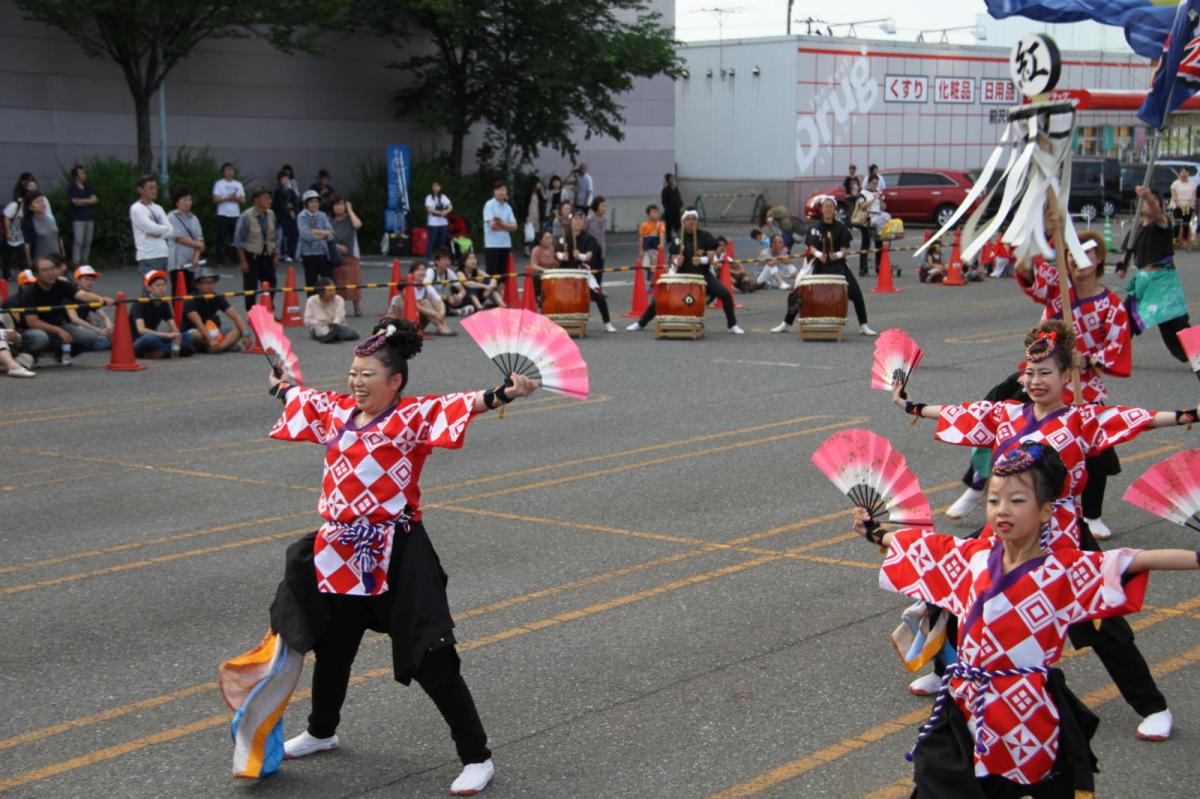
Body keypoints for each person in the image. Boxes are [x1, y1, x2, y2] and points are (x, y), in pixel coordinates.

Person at [250, 319, 540, 795]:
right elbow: (296, 396)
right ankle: (323, 730)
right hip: (341, 550)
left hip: (396, 553)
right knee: (334, 647)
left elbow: (465, 404)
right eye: (353, 372)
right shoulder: (336, 411)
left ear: (395, 381)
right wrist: (279, 382)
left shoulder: (411, 418)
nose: (357, 382)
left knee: (430, 654)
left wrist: (504, 394)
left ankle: (476, 756)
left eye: (368, 374)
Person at [898, 319, 1196, 741]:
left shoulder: (1081, 421)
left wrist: (1188, 414)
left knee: (1101, 618)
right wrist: (910, 405)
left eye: (1046, 374)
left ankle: (1152, 705)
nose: (1036, 381)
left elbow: (1136, 418)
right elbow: (955, 413)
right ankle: (948, 671)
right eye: (1030, 373)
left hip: (1060, 535)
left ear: (1065, 377)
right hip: (1003, 531)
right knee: (964, 597)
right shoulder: (1004, 415)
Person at [854, 442, 1200, 797]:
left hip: (1026, 708)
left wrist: (1196, 557)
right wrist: (873, 532)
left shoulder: (1064, 570)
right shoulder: (971, 556)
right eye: (993, 500)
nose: (1002, 510)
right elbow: (917, 545)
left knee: (1021, 784)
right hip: (964, 702)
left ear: (1047, 510)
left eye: (1017, 501)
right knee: (935, 777)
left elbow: (1137, 560)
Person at [626, 209, 745, 335]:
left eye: (694, 219)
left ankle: (732, 325)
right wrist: (678, 261)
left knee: (725, 293)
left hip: (702, 274)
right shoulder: (678, 238)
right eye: (688, 219)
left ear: (697, 221)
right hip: (681, 275)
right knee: (660, 299)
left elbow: (712, 256)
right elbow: (672, 259)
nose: (691, 222)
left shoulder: (705, 236)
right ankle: (641, 323)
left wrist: (702, 260)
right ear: (683, 221)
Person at [771, 198, 876, 335]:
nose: (828, 209)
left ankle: (863, 325)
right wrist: (819, 254)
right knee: (799, 292)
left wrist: (837, 255)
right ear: (821, 209)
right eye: (826, 206)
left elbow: (844, 249)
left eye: (831, 207)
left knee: (856, 292)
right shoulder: (815, 227)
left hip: (838, 265)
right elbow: (812, 248)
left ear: (835, 210)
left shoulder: (841, 228)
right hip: (818, 264)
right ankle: (786, 323)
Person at [1117, 185, 1191, 363]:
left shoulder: (1162, 224)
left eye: (1153, 202)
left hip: (1163, 281)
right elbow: (1126, 252)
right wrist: (1122, 266)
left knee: (1176, 326)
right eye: (1145, 202)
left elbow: (1158, 215)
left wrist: (1149, 196)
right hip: (1143, 281)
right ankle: (1115, 354)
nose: (1149, 205)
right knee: (1125, 318)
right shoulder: (1135, 229)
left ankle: (1196, 354)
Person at [19, 253, 113, 364]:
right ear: (36, 275)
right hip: (34, 329)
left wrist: (100, 299)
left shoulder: (61, 285)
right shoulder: (30, 292)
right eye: (45, 270)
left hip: (60, 325)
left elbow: (81, 294)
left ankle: (59, 354)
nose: (50, 273)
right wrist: (58, 330)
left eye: (53, 269)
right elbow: (32, 322)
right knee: (40, 338)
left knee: (91, 337)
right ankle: (29, 354)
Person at [555, 212, 617, 333]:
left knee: (599, 296)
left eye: (580, 219)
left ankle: (607, 323)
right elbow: (557, 253)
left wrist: (581, 256)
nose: (578, 222)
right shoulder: (564, 238)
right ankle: (559, 323)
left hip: (583, 273)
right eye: (575, 219)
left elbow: (589, 256)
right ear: (571, 222)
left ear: (583, 222)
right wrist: (563, 256)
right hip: (566, 273)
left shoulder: (588, 238)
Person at [235, 188, 283, 312]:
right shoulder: (246, 216)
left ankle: (268, 310)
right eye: (265, 198)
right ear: (256, 200)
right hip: (252, 255)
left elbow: (276, 236)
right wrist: (243, 261)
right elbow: (239, 240)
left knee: (271, 283)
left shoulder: (272, 214)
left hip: (268, 255)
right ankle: (251, 313)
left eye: (269, 198)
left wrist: (276, 255)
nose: (269, 201)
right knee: (251, 287)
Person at [130, 270, 197, 359]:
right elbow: (141, 330)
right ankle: (169, 351)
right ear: (149, 288)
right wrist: (166, 335)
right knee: (149, 339)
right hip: (138, 339)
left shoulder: (164, 303)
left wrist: (176, 335)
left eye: (163, 285)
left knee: (188, 336)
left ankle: (163, 352)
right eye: (158, 285)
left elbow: (173, 327)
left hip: (156, 337)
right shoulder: (140, 303)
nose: (161, 288)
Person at [184, 267, 247, 353]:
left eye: (212, 282)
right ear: (197, 285)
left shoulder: (217, 297)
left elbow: (236, 317)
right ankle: (223, 345)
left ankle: (219, 347)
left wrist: (246, 334)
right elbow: (198, 323)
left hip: (213, 331)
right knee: (194, 334)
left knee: (239, 328)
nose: (210, 285)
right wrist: (211, 340)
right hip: (198, 331)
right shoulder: (190, 299)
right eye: (205, 282)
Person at [394, 261, 456, 336]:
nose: (421, 272)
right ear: (412, 273)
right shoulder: (407, 286)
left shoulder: (426, 284)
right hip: (404, 321)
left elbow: (439, 300)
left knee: (433, 301)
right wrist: (435, 314)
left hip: (419, 319)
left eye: (423, 270)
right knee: (424, 301)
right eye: (418, 270)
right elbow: (416, 306)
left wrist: (442, 313)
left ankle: (442, 325)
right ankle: (440, 326)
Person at [129, 175, 174, 277]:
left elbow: (171, 231)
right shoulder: (136, 208)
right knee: (150, 289)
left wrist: (160, 232)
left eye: (155, 188)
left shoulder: (158, 208)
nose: (154, 191)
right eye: (150, 188)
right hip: (148, 255)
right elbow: (150, 228)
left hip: (163, 253)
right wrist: (164, 230)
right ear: (140, 190)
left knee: (161, 288)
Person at [329, 195, 363, 317]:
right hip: (335, 255)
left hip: (351, 255)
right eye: (336, 205)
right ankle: (339, 308)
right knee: (338, 282)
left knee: (354, 281)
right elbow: (327, 237)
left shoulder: (350, 218)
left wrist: (350, 210)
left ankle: (357, 307)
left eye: (341, 204)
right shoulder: (329, 221)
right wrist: (337, 246)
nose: (339, 207)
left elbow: (358, 225)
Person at [297, 189, 334, 299]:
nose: (314, 204)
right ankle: (312, 307)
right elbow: (305, 235)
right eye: (311, 201)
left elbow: (331, 232)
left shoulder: (322, 215)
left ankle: (329, 303)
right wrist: (323, 233)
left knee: (327, 280)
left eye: (316, 201)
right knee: (311, 282)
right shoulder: (302, 216)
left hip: (323, 252)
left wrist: (315, 231)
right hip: (308, 253)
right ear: (306, 203)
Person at [167, 185, 205, 293]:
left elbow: (200, 239)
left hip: (192, 262)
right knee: (178, 291)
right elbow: (179, 238)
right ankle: (178, 311)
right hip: (177, 262)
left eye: (189, 200)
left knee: (193, 291)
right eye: (184, 200)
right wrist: (198, 245)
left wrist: (196, 256)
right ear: (177, 202)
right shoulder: (171, 217)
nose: (188, 203)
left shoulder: (194, 218)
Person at [482, 180, 517, 285]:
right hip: (492, 244)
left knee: (503, 275)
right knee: (492, 274)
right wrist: (506, 226)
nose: (502, 192)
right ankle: (492, 297)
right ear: (494, 192)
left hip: (505, 244)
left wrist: (501, 224)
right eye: (499, 190)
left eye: (504, 190)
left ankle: (500, 297)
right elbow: (493, 226)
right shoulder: (489, 205)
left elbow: (515, 226)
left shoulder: (508, 207)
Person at [69, 265, 113, 350]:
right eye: (86, 279)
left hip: (84, 327)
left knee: (111, 334)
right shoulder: (69, 295)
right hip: (72, 327)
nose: (90, 282)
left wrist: (109, 328)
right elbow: (74, 319)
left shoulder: (91, 297)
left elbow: (104, 316)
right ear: (77, 280)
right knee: (103, 342)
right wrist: (98, 331)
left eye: (93, 280)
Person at [304, 276, 359, 343]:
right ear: (321, 292)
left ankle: (331, 336)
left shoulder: (339, 299)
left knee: (350, 333)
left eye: (334, 290)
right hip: (319, 325)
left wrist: (334, 324)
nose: (333, 293)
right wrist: (323, 323)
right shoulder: (311, 300)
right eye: (329, 291)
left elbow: (340, 316)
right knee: (320, 329)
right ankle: (331, 336)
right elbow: (307, 321)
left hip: (336, 326)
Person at [212, 163, 245, 266]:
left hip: (235, 214)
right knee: (221, 238)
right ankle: (221, 260)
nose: (230, 172)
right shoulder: (219, 184)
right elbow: (215, 199)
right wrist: (227, 197)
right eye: (227, 170)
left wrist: (236, 198)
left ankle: (235, 259)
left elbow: (243, 200)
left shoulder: (238, 184)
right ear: (224, 172)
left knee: (235, 238)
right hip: (223, 214)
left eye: (231, 170)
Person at [67, 165, 97, 265]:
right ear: (76, 176)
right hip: (78, 218)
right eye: (82, 173)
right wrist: (88, 201)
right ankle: (76, 262)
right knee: (78, 241)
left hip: (89, 218)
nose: (84, 175)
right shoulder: (72, 188)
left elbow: (95, 200)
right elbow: (75, 202)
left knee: (88, 241)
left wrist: (82, 201)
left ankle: (85, 261)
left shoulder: (88, 187)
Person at [857, 175, 886, 276]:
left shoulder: (878, 192)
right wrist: (872, 199)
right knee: (866, 244)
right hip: (867, 220)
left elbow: (883, 208)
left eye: (877, 183)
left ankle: (879, 267)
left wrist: (881, 199)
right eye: (873, 183)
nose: (875, 185)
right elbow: (862, 206)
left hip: (877, 220)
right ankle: (863, 268)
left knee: (879, 244)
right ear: (869, 183)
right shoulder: (863, 193)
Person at [21, 191, 62, 262]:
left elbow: (58, 239)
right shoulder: (29, 223)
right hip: (41, 262)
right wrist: (30, 263)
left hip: (56, 259)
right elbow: (27, 246)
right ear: (30, 207)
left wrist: (62, 256)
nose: (41, 204)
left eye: (42, 201)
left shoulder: (51, 219)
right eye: (37, 202)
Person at [427, 247, 469, 316]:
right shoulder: (430, 272)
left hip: (440, 299)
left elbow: (462, 290)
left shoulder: (449, 272)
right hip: (427, 298)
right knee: (441, 302)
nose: (447, 262)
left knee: (458, 299)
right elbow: (427, 291)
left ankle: (454, 311)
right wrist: (446, 297)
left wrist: (458, 297)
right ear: (437, 262)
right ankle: (456, 312)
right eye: (444, 260)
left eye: (449, 260)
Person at [273, 169, 301, 263]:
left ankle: (293, 254)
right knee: (281, 237)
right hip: (282, 217)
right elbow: (278, 205)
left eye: (287, 179)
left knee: (293, 235)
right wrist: (289, 212)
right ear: (280, 180)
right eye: (283, 179)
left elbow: (295, 204)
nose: (285, 180)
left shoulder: (291, 192)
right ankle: (282, 254)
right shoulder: (278, 192)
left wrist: (294, 213)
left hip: (292, 217)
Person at [528, 229, 559, 304]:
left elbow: (557, 263)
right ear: (540, 240)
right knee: (536, 276)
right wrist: (545, 270)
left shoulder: (554, 249)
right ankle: (537, 296)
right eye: (547, 238)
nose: (549, 240)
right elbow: (533, 265)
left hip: (552, 272)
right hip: (540, 273)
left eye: (551, 238)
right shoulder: (536, 250)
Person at [584, 197, 608, 287]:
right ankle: (591, 290)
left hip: (601, 248)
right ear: (596, 206)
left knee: (600, 270)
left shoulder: (604, 220)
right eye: (602, 206)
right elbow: (584, 232)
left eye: (605, 206)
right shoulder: (589, 219)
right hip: (591, 249)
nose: (604, 208)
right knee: (591, 270)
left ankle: (598, 290)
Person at [638, 205, 665, 287]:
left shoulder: (660, 224)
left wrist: (661, 244)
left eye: (657, 212)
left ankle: (652, 283)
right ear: (648, 214)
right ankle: (649, 281)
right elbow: (642, 238)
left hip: (655, 250)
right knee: (646, 266)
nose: (656, 214)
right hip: (646, 250)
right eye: (653, 212)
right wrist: (641, 250)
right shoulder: (644, 225)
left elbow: (662, 234)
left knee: (654, 267)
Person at [425, 180, 453, 257]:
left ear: (440, 187)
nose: (436, 188)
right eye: (434, 186)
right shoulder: (429, 197)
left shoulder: (443, 197)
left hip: (443, 222)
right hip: (433, 222)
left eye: (437, 186)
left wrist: (446, 211)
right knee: (432, 241)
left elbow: (450, 206)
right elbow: (429, 209)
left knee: (442, 241)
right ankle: (429, 257)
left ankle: (441, 257)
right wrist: (440, 213)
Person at [1170, 167, 1195, 248]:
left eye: (1185, 172)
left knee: (1186, 224)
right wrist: (1178, 204)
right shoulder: (1175, 183)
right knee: (1177, 224)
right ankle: (1176, 242)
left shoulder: (1192, 184)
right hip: (1177, 206)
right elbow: (1173, 195)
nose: (1184, 174)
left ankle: (1185, 241)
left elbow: (1193, 196)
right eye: (1182, 172)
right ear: (1180, 173)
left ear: (1188, 173)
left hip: (1187, 206)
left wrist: (1191, 205)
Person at [523, 176, 545, 256]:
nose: (539, 184)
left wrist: (542, 191)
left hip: (537, 215)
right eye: (538, 183)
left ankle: (533, 249)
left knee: (536, 233)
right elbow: (525, 205)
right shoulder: (528, 193)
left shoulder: (538, 194)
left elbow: (544, 200)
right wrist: (525, 216)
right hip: (529, 215)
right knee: (528, 233)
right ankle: (526, 249)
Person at [661, 173, 683, 242]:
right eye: (671, 178)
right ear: (668, 180)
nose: (673, 180)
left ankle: (678, 240)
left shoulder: (675, 188)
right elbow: (664, 201)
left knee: (678, 226)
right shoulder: (665, 190)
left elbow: (679, 197)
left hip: (676, 211)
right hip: (669, 212)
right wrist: (667, 209)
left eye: (673, 178)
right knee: (669, 227)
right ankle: (669, 240)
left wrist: (680, 204)